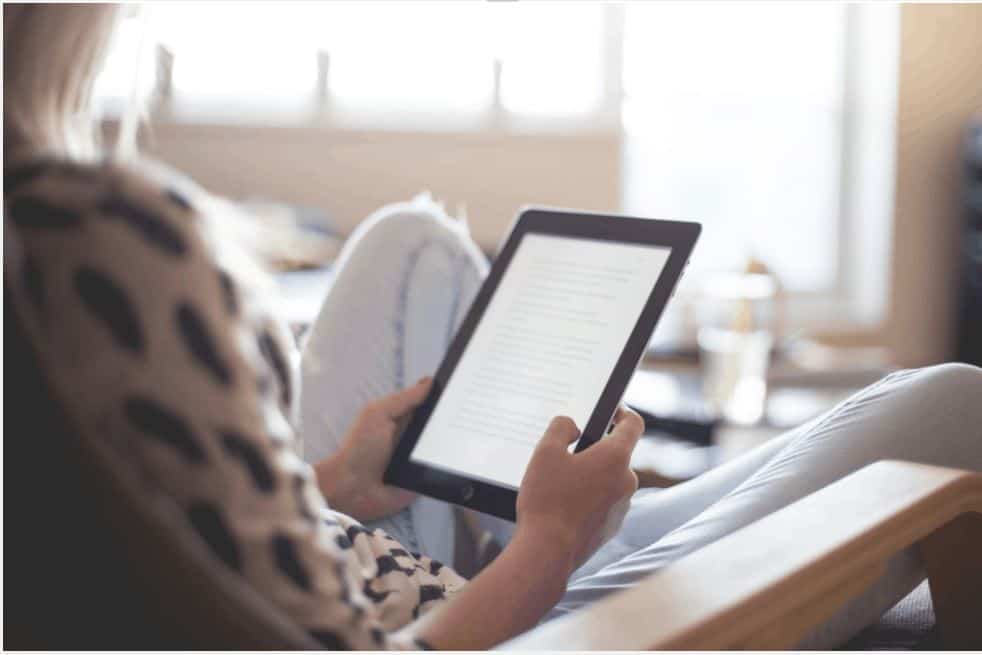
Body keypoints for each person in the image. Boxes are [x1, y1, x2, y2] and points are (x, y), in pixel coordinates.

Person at [4, 4, 981, 650]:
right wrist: (543, 551)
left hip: (372, 548)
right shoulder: (89, 239)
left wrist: (339, 481)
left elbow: (186, 534)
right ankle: (568, 533)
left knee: (413, 242)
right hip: (488, 623)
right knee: (952, 405)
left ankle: (551, 522)